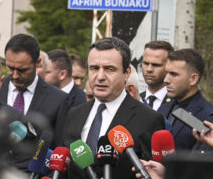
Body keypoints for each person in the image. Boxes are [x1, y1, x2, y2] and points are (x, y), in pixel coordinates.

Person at [63, 37, 165, 179]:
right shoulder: (74, 114)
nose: (100, 76)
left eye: (109, 69)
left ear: (126, 73)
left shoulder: (149, 120)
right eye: (94, 68)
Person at [0, 34, 69, 169]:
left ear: (38, 62)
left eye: (22, 70)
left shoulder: (58, 100)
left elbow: (59, 152)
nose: (15, 75)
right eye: (10, 68)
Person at [158, 49, 213, 151]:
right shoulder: (164, 108)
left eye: (173, 74)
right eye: (166, 73)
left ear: (193, 79)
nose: (166, 80)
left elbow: (200, 162)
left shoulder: (207, 116)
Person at [140, 41, 174, 110]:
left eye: (156, 65)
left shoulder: (176, 103)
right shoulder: (136, 100)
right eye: (146, 63)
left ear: (169, 66)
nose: (149, 69)